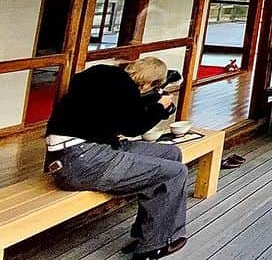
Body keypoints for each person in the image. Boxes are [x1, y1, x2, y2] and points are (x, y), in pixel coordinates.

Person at [45, 57, 187, 260]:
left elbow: (115, 113)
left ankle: (146, 234)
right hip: (81, 160)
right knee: (174, 173)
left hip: (82, 152)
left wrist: (148, 102)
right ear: (149, 83)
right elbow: (133, 127)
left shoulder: (106, 75)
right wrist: (160, 108)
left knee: (171, 154)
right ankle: (152, 247)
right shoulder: (125, 89)